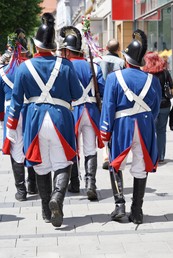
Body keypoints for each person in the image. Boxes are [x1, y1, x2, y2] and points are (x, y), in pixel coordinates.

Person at [5, 13, 83, 227]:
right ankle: (57, 198)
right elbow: (76, 94)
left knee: (40, 166)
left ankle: (46, 213)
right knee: (63, 162)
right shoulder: (66, 65)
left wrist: (11, 128)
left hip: (34, 120)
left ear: (37, 45)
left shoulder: (23, 67)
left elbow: (16, 102)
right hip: (61, 120)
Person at [100, 29, 162, 224]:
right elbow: (156, 108)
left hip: (122, 125)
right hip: (144, 125)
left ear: (126, 59)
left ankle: (120, 206)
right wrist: (144, 119)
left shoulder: (114, 78)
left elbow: (108, 106)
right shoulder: (153, 80)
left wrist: (105, 130)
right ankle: (137, 211)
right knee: (141, 166)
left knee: (116, 163)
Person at [59, 26, 105, 200]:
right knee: (90, 148)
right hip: (91, 112)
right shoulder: (94, 66)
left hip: (73, 112)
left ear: (68, 50)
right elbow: (102, 89)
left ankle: (75, 183)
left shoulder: (65, 67)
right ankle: (90, 183)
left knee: (72, 148)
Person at [0, 30, 37, 201]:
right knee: (30, 145)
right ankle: (33, 184)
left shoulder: (2, 72)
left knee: (16, 149)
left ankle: (21, 191)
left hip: (11, 113)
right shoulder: (30, 69)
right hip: (28, 110)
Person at [94, 39, 125, 169]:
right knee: (115, 126)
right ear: (118, 49)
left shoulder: (97, 61)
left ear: (106, 47)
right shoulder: (122, 62)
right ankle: (113, 152)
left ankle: (105, 154)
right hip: (117, 99)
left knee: (104, 125)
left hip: (101, 98)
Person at [143, 52, 173, 163]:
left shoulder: (146, 73)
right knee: (161, 131)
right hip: (165, 105)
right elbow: (171, 86)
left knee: (151, 130)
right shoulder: (165, 73)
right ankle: (160, 156)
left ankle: (152, 155)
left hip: (150, 106)